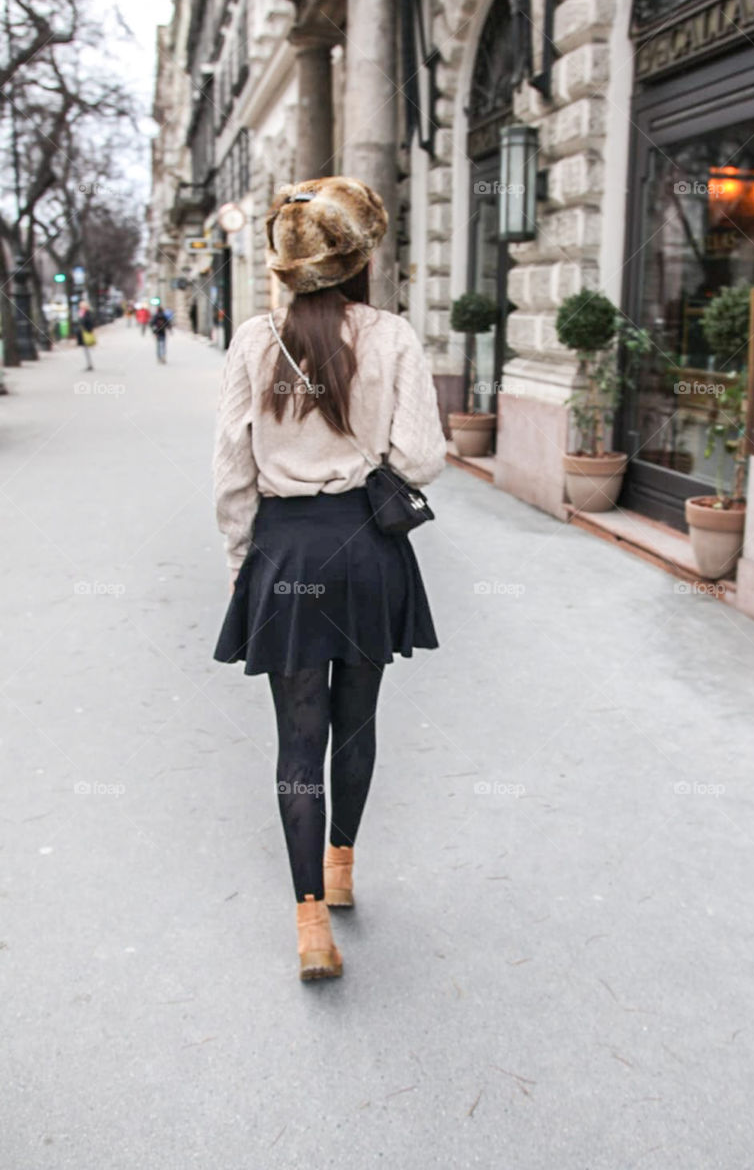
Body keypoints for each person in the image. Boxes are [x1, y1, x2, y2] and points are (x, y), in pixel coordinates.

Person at [213, 176, 446, 982]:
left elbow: (231, 474)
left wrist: (243, 566)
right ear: (355, 261)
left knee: (297, 738)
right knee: (357, 722)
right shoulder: (391, 337)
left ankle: (311, 924)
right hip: (365, 551)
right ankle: (343, 869)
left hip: (285, 553)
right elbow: (421, 461)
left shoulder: (252, 342)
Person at [77, 301, 95, 371]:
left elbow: (88, 322)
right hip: (83, 333)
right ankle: (89, 364)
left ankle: (89, 364)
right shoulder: (82, 313)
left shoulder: (86, 313)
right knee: (85, 349)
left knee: (86, 349)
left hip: (85, 333)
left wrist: (88, 330)